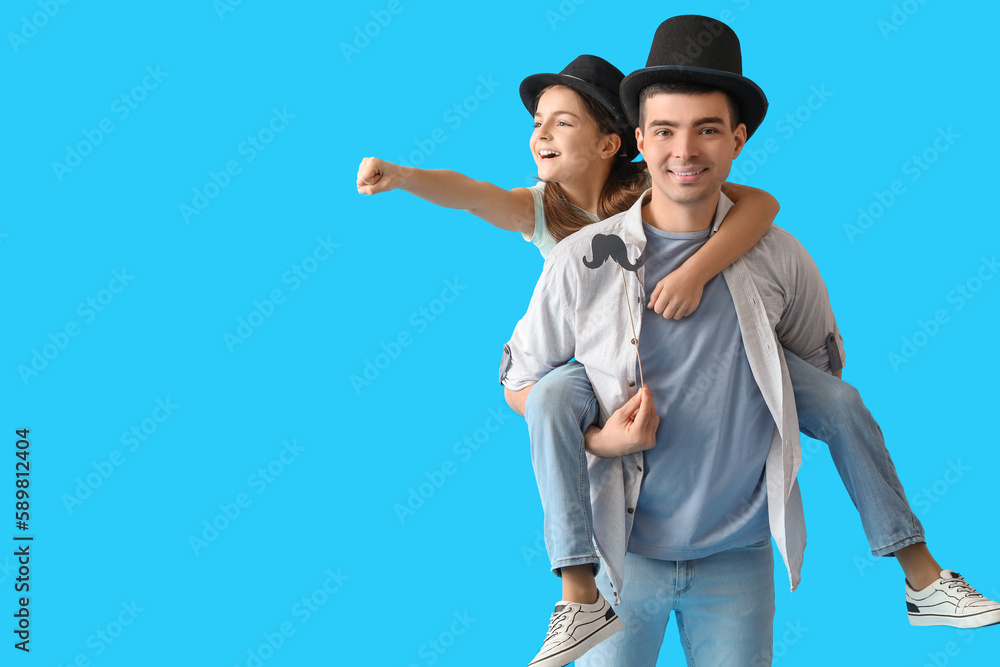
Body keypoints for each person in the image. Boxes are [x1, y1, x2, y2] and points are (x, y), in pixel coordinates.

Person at [501, 15, 999, 666]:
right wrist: (602, 437)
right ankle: (576, 595)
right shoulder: (582, 259)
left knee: (841, 401)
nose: (685, 150)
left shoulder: (778, 255)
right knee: (557, 390)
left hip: (734, 559)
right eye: (666, 131)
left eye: (708, 129)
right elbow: (520, 384)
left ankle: (922, 577)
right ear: (640, 142)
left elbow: (816, 365)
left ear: (736, 139)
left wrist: (741, 369)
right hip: (621, 554)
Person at [357, 54, 778, 666]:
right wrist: (403, 175)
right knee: (552, 395)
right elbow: (473, 194)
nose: (541, 135)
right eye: (536, 123)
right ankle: (578, 591)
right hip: (589, 362)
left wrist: (697, 269)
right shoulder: (539, 210)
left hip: (662, 357)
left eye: (561, 123)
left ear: (613, 142)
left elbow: (760, 205)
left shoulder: (653, 189)